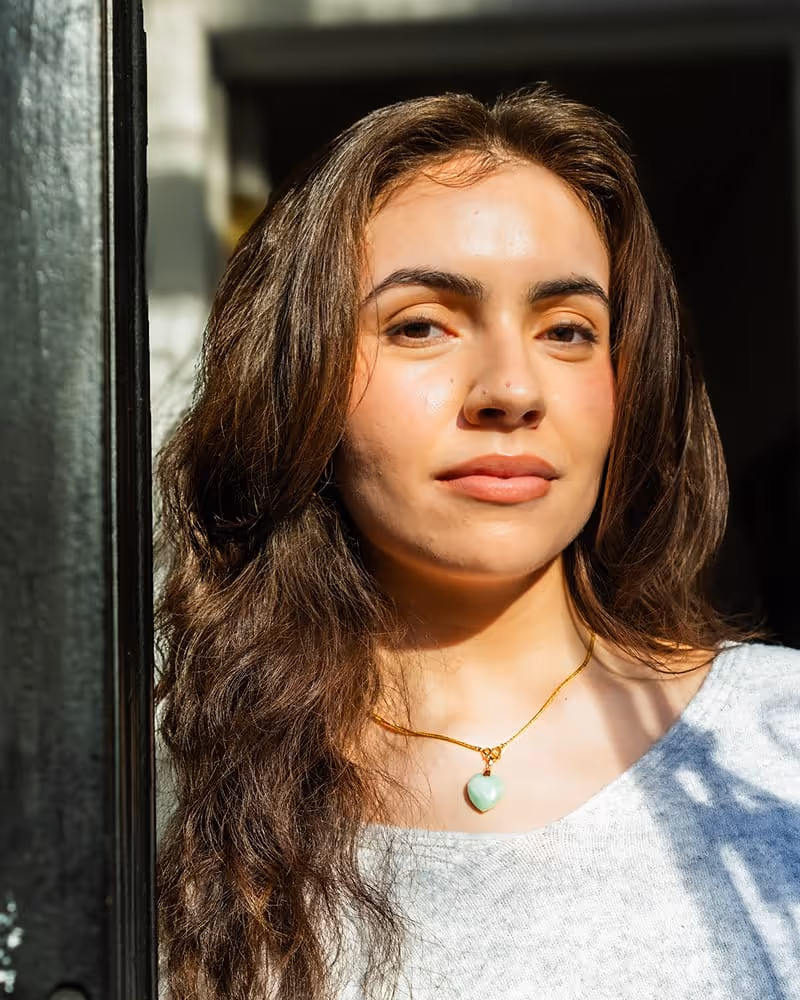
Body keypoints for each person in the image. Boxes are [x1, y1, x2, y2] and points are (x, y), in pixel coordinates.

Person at [154, 85, 800, 1000]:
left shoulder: (778, 748)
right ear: (296, 379)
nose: (510, 388)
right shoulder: (164, 789)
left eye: (568, 331)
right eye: (421, 324)